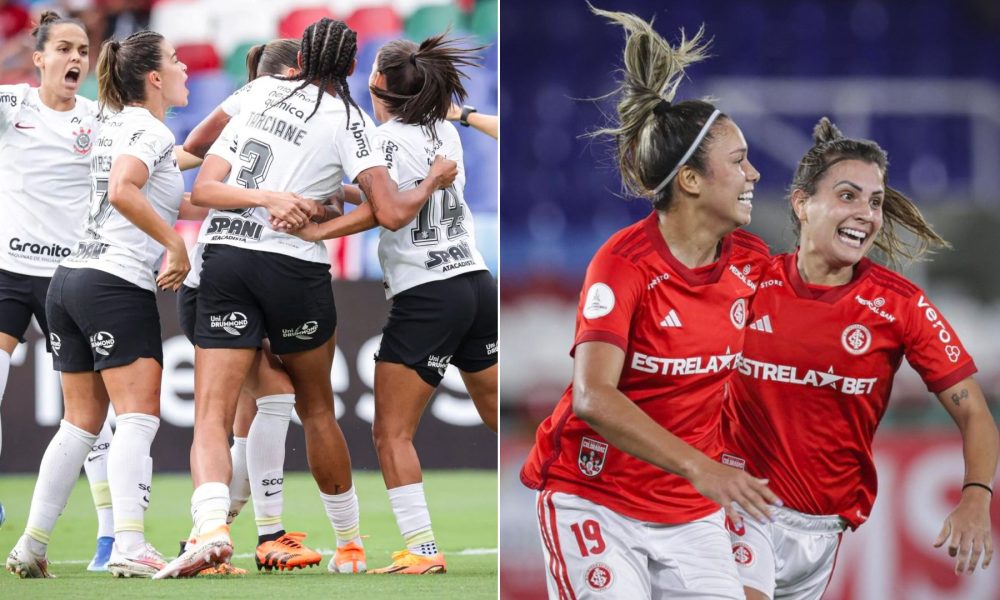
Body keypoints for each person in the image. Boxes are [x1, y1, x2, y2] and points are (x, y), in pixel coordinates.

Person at [154, 17, 457, 579]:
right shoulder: (352, 120)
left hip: (228, 257)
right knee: (315, 407)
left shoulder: (257, 91)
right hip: (297, 269)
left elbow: (200, 179)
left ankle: (213, 527)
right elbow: (389, 211)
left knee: (212, 415)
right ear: (349, 68)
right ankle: (348, 546)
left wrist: (268, 194)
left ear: (298, 60)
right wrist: (319, 217)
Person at [517, 7, 782, 599]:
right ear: (690, 180)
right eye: (738, 161)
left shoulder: (750, 262)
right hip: (596, 498)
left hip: (692, 512)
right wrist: (701, 466)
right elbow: (592, 396)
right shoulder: (624, 264)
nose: (754, 174)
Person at [722, 117, 999, 599]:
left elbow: (975, 410)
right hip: (739, 508)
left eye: (875, 201)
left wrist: (977, 494)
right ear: (802, 203)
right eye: (847, 196)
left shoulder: (900, 305)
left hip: (820, 535)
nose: (867, 214)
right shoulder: (747, 280)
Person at [289, 32, 498, 575]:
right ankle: (580, 482)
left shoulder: (377, 142)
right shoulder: (442, 132)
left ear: (377, 84)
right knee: (500, 414)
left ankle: (422, 550)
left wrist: (323, 228)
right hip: (475, 281)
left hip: (427, 292)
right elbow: (391, 195)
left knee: (390, 432)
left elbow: (390, 210)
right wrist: (344, 198)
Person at [5, 27, 193, 579]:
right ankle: (130, 543)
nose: (184, 69)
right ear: (154, 77)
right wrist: (175, 242)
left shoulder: (108, 123)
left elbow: (159, 189)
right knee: (137, 417)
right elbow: (124, 190)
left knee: (80, 425)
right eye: (176, 61)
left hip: (67, 280)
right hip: (114, 282)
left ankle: (33, 543)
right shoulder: (147, 128)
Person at [179, 37, 326, 574]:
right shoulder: (272, 97)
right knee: (246, 408)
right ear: (295, 72)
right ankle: (261, 533)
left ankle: (212, 535)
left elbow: (194, 146)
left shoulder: (248, 105)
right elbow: (199, 172)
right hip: (222, 271)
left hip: (233, 266)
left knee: (254, 411)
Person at [0, 10, 114, 574]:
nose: (75, 59)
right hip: (5, 273)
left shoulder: (99, 119)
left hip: (69, 279)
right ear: (38, 57)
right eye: (63, 49)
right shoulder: (11, 107)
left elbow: (151, 166)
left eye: (82, 49)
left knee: (92, 414)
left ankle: (111, 536)